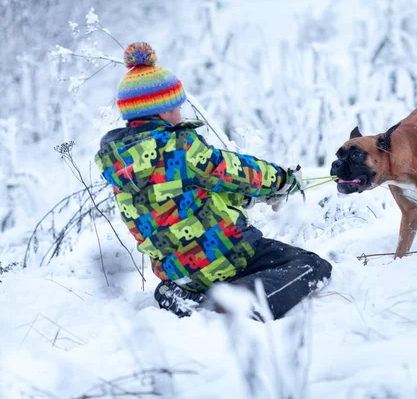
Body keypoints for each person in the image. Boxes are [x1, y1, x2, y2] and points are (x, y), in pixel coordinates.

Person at [95, 42, 332, 319]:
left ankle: (178, 295)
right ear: (161, 111)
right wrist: (281, 180)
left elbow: (174, 198)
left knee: (190, 275)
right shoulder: (179, 146)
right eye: (176, 106)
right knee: (313, 266)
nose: (180, 113)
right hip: (226, 258)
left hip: (179, 273)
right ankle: (236, 304)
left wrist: (246, 198)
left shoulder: (122, 163)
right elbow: (238, 171)